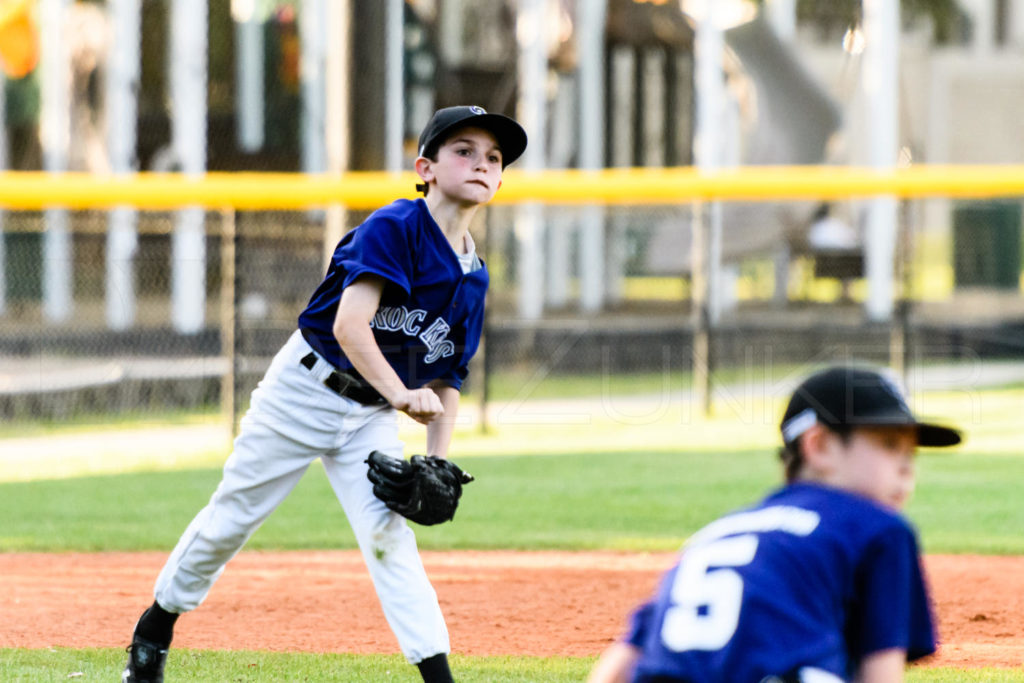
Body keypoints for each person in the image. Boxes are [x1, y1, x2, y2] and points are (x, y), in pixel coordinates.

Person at [122, 105, 527, 683]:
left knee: (390, 540)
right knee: (232, 519)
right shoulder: (396, 228)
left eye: (494, 158)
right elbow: (348, 325)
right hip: (303, 391)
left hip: (368, 417)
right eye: (463, 150)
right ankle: (154, 630)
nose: (482, 164)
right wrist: (402, 395)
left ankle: (439, 677)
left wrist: (436, 460)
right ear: (427, 167)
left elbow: (449, 379)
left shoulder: (474, 276)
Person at [588, 365, 962, 683]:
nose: (906, 466)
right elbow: (880, 671)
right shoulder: (878, 528)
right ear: (819, 447)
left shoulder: (719, 533)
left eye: (910, 451)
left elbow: (621, 665)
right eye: (889, 444)